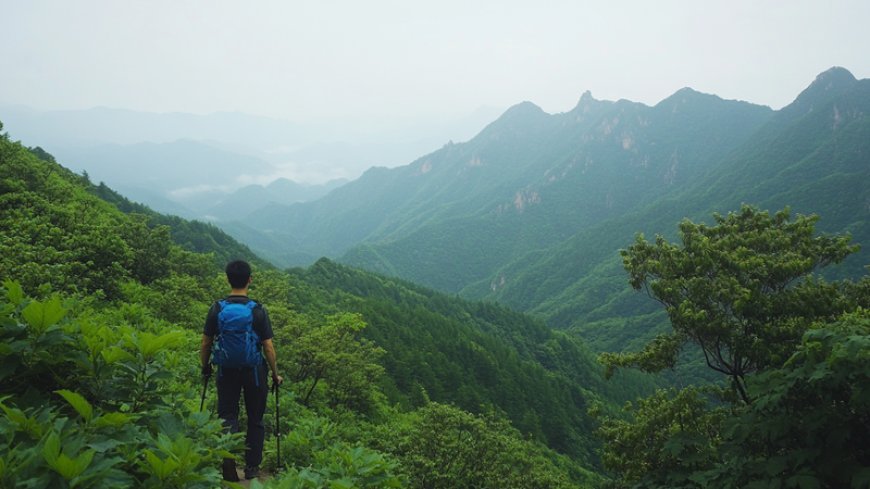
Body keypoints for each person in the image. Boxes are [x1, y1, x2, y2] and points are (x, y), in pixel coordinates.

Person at [200, 260, 283, 481]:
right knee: (255, 418)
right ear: (249, 280)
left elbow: (206, 342)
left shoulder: (217, 308)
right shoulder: (257, 310)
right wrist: (275, 373)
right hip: (254, 371)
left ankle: (228, 464)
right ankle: (252, 469)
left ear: (228, 279)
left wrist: (205, 366)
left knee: (227, 415)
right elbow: (268, 346)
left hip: (226, 370)